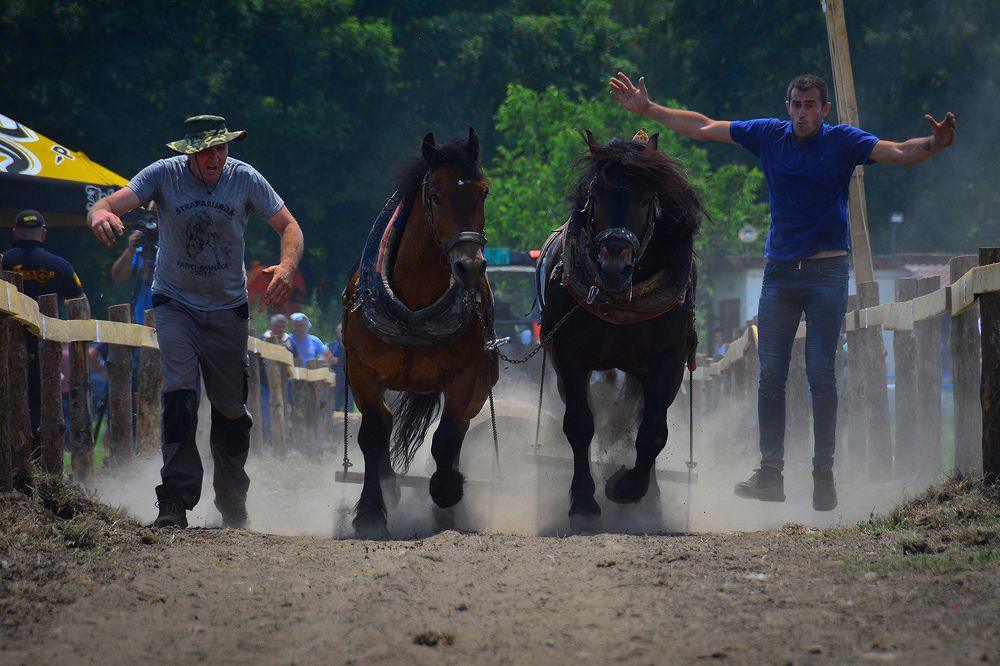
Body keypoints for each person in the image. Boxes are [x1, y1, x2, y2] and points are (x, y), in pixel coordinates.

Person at [610, 72, 956, 511]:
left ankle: (823, 472)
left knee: (821, 374)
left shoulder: (843, 142)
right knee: (771, 375)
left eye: (811, 105)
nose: (802, 112)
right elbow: (703, 126)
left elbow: (901, 152)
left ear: (824, 110)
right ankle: (771, 474)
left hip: (827, 273)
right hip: (779, 275)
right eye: (796, 104)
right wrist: (648, 110)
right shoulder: (770, 136)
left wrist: (934, 145)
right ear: (787, 106)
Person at [87, 115, 304, 529]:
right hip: (175, 303)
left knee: (229, 409)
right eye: (207, 150)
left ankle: (232, 500)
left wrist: (287, 268)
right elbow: (109, 203)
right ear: (190, 152)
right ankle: (174, 501)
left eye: (221, 148)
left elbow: (289, 225)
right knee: (180, 396)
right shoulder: (163, 175)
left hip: (228, 307)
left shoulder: (245, 179)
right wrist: (99, 215)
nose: (216, 157)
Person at [2, 209, 84, 460]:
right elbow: (80, 304)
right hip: (44, 348)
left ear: (15, 231)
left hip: (4, 348)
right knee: (39, 404)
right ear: (44, 234)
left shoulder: (3, 262)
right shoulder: (61, 266)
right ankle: (36, 458)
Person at [110, 202, 157, 325]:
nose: (154, 220)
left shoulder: (175, 249)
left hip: (169, 325)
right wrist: (130, 249)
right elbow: (118, 277)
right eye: (151, 215)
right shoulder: (140, 250)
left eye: (157, 215)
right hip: (140, 325)